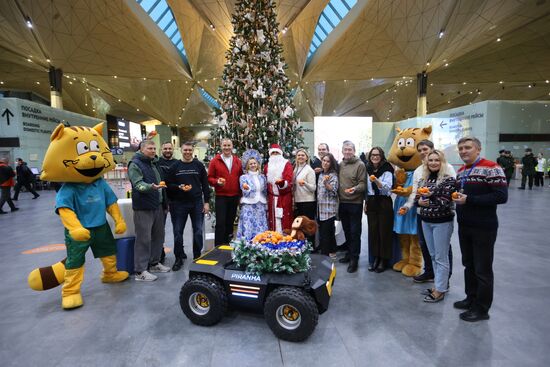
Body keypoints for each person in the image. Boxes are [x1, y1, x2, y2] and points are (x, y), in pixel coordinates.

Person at [452, 137, 507, 322]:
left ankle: (482, 309)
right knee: (469, 264)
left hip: (484, 227)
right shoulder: (461, 171)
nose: (463, 151)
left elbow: (501, 196)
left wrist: (470, 200)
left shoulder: (492, 167)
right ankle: (471, 298)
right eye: (461, 148)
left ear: (478, 149)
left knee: (482, 269)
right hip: (465, 225)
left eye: (468, 147)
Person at [400, 140, 455, 283]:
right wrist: (409, 205)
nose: (423, 152)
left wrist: (432, 200)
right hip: (422, 215)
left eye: (425, 149)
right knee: (425, 245)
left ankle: (444, 279)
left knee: (442, 249)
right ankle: (430, 272)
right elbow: (415, 192)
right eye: (420, 150)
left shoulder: (447, 168)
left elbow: (451, 193)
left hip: (441, 217)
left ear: (432, 149)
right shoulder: (420, 170)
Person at [416, 150, 457, 303]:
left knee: (441, 257)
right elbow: (416, 199)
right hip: (425, 220)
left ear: (442, 162)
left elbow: (445, 202)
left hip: (442, 223)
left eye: (436, 160)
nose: (433, 162)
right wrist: (419, 202)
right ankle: (438, 285)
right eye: (430, 160)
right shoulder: (424, 179)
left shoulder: (448, 180)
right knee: (433, 256)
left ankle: (440, 290)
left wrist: (429, 195)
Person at [128, 140, 171, 281]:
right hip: (143, 207)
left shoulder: (155, 163)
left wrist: (165, 203)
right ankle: (140, 271)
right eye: (150, 148)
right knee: (143, 238)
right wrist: (150, 187)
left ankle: (154, 263)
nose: (153, 150)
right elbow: (138, 184)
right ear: (141, 149)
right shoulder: (135, 164)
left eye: (154, 148)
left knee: (159, 236)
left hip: (158, 205)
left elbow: (162, 183)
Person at [165, 142, 210, 271]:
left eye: (190, 150)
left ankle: (197, 256)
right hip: (178, 204)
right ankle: (179, 257)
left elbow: (205, 185)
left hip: (196, 203)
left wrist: (206, 202)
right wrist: (178, 187)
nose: (188, 152)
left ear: (193, 150)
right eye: (185, 150)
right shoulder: (175, 166)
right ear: (181, 150)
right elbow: (168, 184)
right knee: (178, 232)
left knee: (197, 231)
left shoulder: (199, 165)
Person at [338, 140, 366, 273]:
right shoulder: (340, 164)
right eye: (345, 149)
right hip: (342, 202)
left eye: (350, 149)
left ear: (354, 151)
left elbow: (363, 184)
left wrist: (354, 189)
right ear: (342, 151)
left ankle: (355, 258)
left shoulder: (360, 165)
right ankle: (349, 253)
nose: (347, 151)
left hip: (355, 203)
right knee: (347, 231)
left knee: (355, 232)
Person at [364, 147, 394, 273]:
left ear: (381, 156)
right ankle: (375, 258)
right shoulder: (368, 168)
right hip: (371, 201)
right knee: (373, 231)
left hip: (383, 201)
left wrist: (376, 180)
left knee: (384, 232)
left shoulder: (387, 169)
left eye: (377, 155)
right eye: (372, 155)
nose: (375, 157)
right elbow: (366, 188)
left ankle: (383, 260)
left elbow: (387, 189)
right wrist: (366, 202)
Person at [207, 138, 243, 245]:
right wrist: (217, 182)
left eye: (229, 145)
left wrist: (241, 195)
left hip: (234, 196)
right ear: (221, 147)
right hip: (221, 196)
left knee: (230, 222)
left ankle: (228, 244)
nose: (227, 148)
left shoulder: (237, 161)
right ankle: (218, 247)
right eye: (224, 146)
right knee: (220, 223)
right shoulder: (215, 161)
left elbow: (241, 178)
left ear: (232, 147)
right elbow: (209, 178)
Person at [236, 149, 268, 240]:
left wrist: (266, 202)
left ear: (258, 164)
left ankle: (261, 244)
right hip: (248, 205)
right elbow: (244, 191)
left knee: (260, 225)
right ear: (247, 166)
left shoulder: (262, 177)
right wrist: (247, 188)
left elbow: (265, 190)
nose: (253, 165)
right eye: (251, 164)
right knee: (248, 225)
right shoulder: (244, 177)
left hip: (260, 205)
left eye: (254, 163)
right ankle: (248, 245)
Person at [156, 142, 178, 264]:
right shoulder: (156, 162)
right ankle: (160, 253)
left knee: (177, 228)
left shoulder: (177, 163)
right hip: (161, 200)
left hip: (175, 199)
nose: (168, 150)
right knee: (160, 228)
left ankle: (179, 252)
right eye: (165, 148)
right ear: (161, 150)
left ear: (173, 149)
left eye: (170, 148)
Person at [264, 143, 293, 233]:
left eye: (277, 152)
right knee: (272, 218)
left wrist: (282, 183)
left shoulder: (286, 164)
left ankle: (284, 238)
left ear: (280, 154)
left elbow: (289, 180)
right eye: (273, 153)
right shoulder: (267, 166)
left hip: (284, 197)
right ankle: (273, 236)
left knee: (284, 218)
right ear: (270, 154)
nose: (275, 154)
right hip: (271, 197)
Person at [317, 153, 339, 260]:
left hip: (329, 209)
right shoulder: (321, 174)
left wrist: (326, 184)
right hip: (320, 209)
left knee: (327, 233)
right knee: (325, 232)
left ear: (331, 163)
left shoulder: (333, 175)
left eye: (328, 161)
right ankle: (331, 251)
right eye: (324, 160)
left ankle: (326, 255)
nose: (325, 163)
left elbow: (334, 191)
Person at [293, 148, 316, 243]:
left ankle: (310, 245)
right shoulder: (295, 169)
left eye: (303, 155)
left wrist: (305, 183)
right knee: (300, 225)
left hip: (307, 201)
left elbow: (313, 188)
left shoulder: (309, 170)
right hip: (298, 200)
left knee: (308, 225)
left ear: (306, 158)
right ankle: (302, 244)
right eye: (299, 155)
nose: (300, 157)